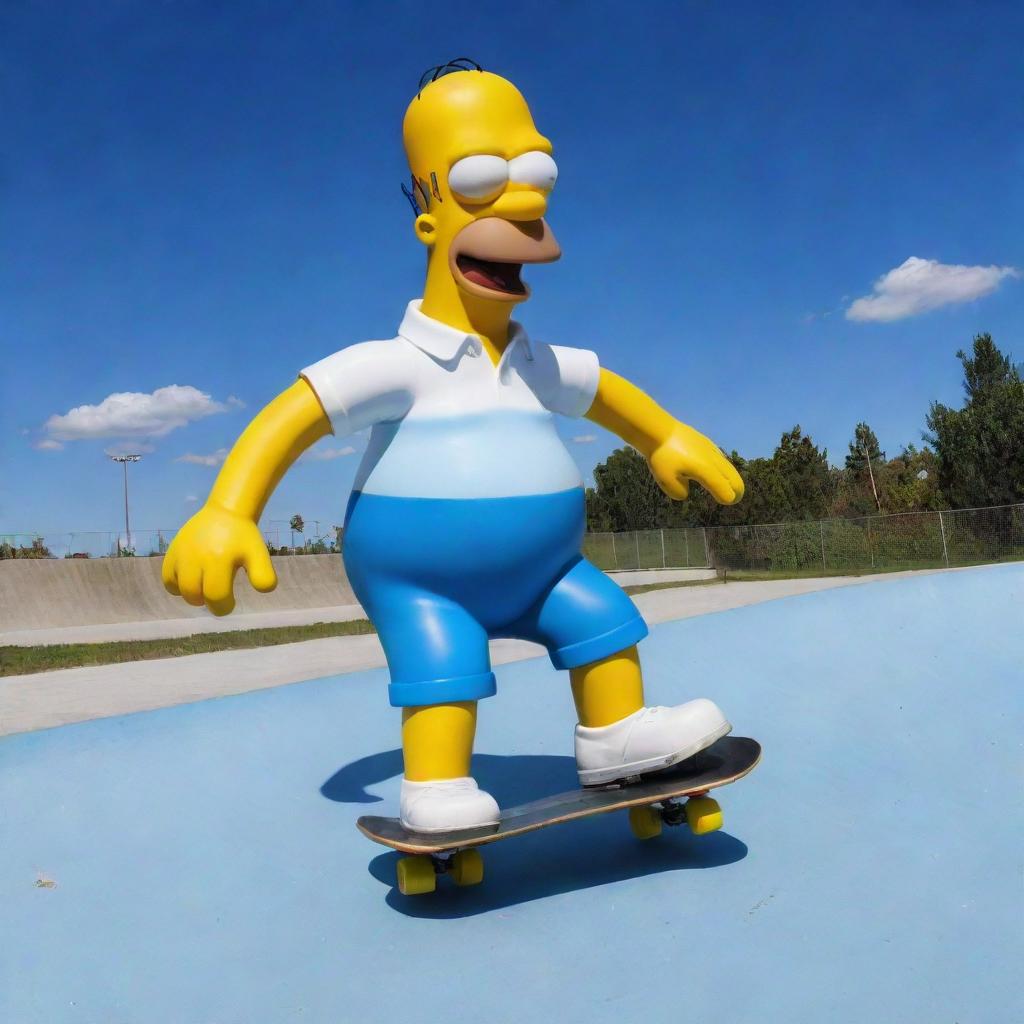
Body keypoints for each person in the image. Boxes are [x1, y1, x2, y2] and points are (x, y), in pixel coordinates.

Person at [162, 61, 745, 833]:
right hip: (422, 582)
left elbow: (603, 390)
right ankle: (435, 782)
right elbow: (292, 415)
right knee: (442, 661)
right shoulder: (394, 364)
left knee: (598, 614)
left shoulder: (536, 361)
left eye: (536, 170)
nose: (525, 198)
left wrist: (664, 437)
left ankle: (616, 737)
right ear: (429, 218)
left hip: (549, 571)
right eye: (482, 177)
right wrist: (228, 509)